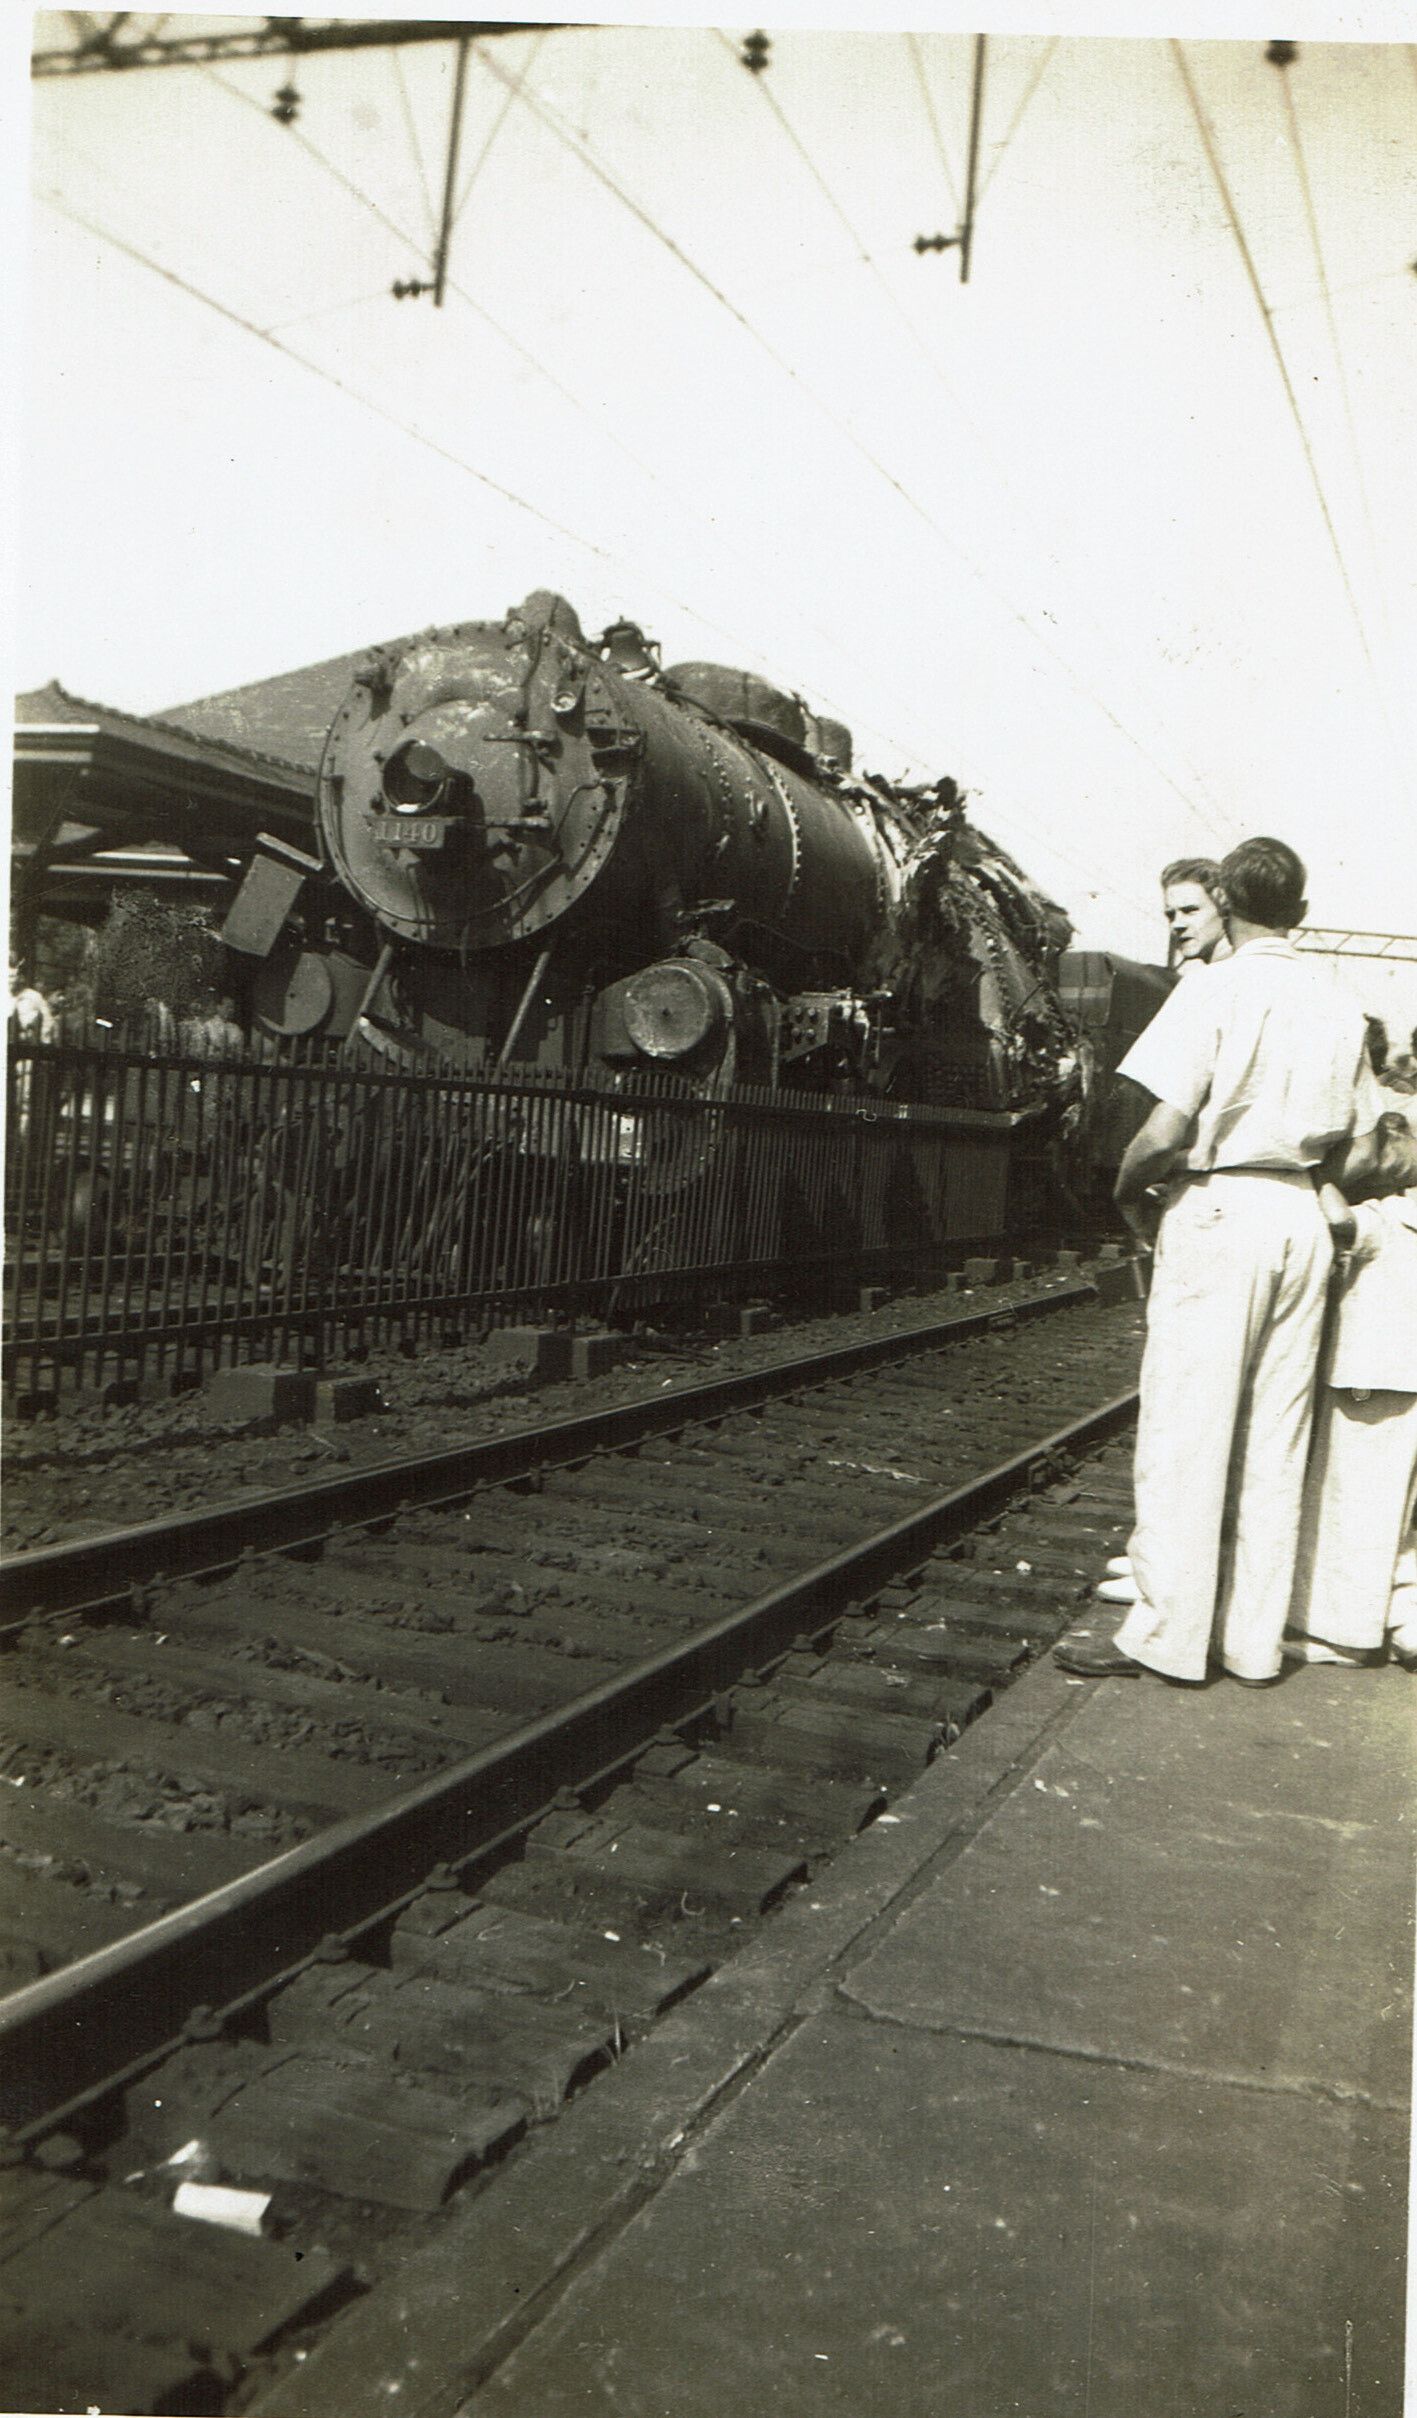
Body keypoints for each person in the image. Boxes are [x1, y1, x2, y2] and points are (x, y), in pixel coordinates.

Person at [1056, 837, 1384, 1687]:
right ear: (1299, 913)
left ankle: (1165, 1637)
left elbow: (1164, 1129)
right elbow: (1357, 1146)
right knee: (1277, 1433)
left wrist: (1128, 1193)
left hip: (1218, 1207)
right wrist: (1308, 1179)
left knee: (1185, 1430)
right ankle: (1251, 1644)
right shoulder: (1339, 1002)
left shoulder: (1214, 987)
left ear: (1227, 905)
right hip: (1298, 1215)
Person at [1283, 1102, 1417, 1670]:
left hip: (1372, 1383)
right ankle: (1407, 1622)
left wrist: (1315, 1177)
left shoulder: (1393, 1217)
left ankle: (1344, 1637)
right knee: (1403, 1511)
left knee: (1353, 1505)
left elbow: (1340, 1222)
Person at [1159, 857, 1232, 975]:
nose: (1176, 924)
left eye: (1190, 911)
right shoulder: (1211, 972)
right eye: (1171, 915)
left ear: (1224, 908)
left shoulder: (1236, 970)